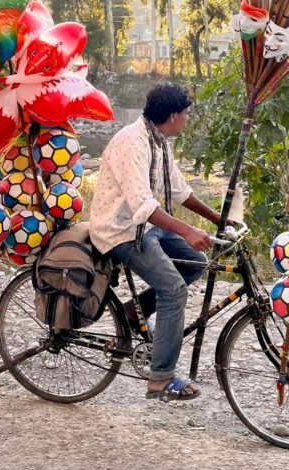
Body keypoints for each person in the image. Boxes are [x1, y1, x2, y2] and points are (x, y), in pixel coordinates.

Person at [88, 82, 222, 401]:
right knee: (173, 289)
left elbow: (179, 191)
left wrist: (219, 219)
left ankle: (134, 312)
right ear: (173, 116)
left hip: (144, 227)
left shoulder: (158, 139)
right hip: (119, 230)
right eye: (186, 114)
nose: (187, 119)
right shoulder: (132, 143)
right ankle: (160, 378)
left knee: (196, 263)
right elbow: (144, 206)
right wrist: (187, 231)